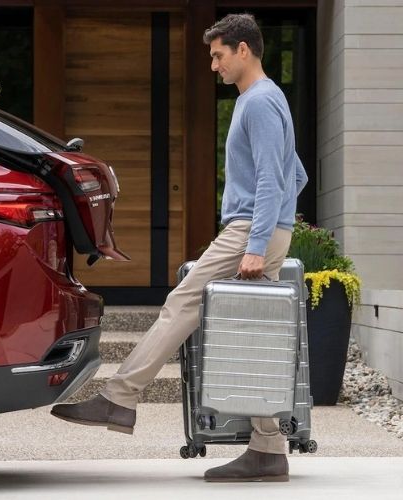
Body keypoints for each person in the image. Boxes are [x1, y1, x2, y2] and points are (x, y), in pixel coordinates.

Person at [51, 13, 309, 482]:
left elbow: (276, 177)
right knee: (251, 334)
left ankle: (119, 399)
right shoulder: (268, 100)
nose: (214, 65)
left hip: (249, 230)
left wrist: (256, 241)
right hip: (262, 228)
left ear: (243, 50)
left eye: (218, 55)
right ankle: (269, 449)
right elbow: (297, 174)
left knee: (183, 302)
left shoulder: (259, 102)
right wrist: (277, 229)